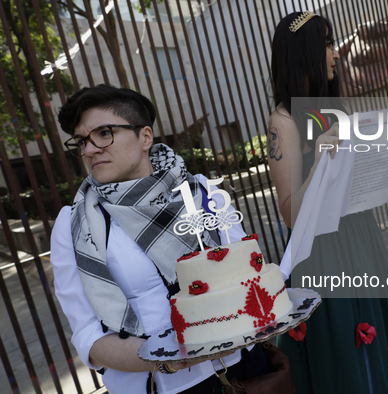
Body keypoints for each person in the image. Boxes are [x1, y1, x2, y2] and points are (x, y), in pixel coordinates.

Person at [51, 85, 270, 394]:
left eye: (104, 133)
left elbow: (249, 276)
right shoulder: (74, 224)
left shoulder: (200, 192)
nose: (89, 150)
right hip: (161, 385)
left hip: (244, 370)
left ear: (145, 136)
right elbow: (89, 337)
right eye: (82, 141)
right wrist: (170, 359)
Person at [267, 11, 388, 393]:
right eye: (328, 43)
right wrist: (323, 162)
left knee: (376, 344)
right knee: (347, 358)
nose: (336, 53)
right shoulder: (283, 121)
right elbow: (293, 214)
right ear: (305, 52)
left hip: (363, 238)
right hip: (325, 252)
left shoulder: (332, 110)